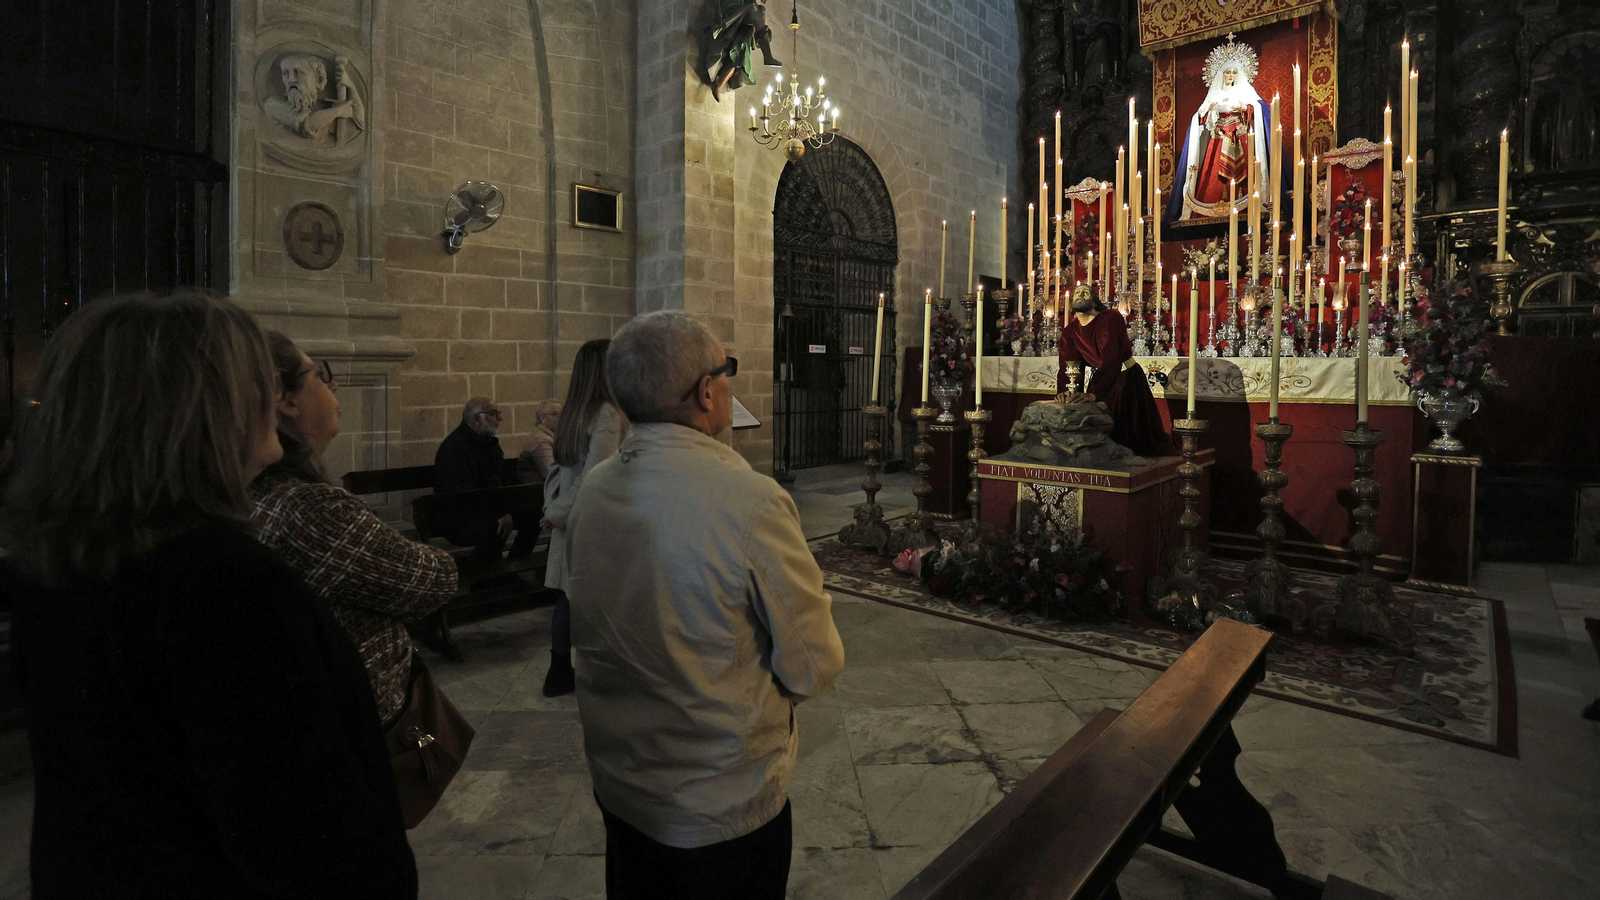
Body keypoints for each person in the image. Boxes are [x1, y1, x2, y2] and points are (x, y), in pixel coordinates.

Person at [0, 293, 415, 898]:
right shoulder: (224, 585)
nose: (272, 404)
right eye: (254, 383)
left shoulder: (63, 560)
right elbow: (308, 837)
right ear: (199, 409)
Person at [565, 311, 844, 900]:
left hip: (621, 782)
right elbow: (813, 664)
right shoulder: (750, 499)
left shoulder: (594, 490)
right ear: (707, 390)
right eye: (728, 370)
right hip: (718, 801)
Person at [251, 331, 459, 726]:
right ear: (287, 399)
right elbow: (434, 579)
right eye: (320, 374)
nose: (335, 386)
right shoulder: (308, 507)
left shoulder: (263, 487)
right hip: (359, 717)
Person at [540, 340, 626, 697]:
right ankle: (594, 672)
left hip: (572, 514)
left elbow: (561, 472)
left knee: (571, 596)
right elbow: (596, 475)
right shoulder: (606, 411)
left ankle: (561, 671)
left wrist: (554, 512)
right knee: (598, 597)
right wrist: (557, 514)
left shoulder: (576, 411)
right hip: (592, 517)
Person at [1165, 34, 1269, 222]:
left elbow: (1261, 110)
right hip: (1219, 138)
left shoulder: (1245, 92)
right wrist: (1208, 115)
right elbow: (1200, 117)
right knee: (1212, 177)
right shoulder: (1215, 94)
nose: (1230, 76)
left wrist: (1245, 109)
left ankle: (1248, 204)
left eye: (1233, 72)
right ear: (1221, 75)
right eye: (1227, 72)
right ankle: (1210, 209)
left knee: (1246, 174)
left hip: (1240, 135)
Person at [1057, 283, 1169, 456]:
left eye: (1085, 293)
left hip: (1125, 380)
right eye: (1077, 293)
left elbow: (1111, 358)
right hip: (1103, 379)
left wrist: (1093, 393)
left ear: (1095, 301)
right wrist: (1068, 391)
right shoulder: (1070, 331)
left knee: (1129, 437)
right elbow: (1069, 365)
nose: (1080, 296)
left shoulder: (1110, 319)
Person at [433, 397, 537, 560]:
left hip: (490, 508)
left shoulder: (488, 442)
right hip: (461, 516)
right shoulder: (454, 448)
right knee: (497, 525)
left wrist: (517, 502)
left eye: (498, 413)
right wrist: (498, 512)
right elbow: (463, 493)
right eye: (494, 414)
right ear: (476, 418)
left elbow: (504, 479)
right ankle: (485, 579)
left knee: (536, 515)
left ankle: (515, 565)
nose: (500, 418)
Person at [517, 399, 564, 483]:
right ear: (542, 418)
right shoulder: (540, 440)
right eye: (555, 414)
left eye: (562, 413)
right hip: (537, 492)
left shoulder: (554, 436)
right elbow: (551, 474)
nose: (561, 417)